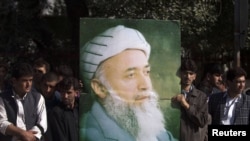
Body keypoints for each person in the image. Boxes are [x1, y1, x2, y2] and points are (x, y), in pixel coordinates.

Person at [80, 25, 177, 141]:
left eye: (146, 72)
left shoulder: (151, 127)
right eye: (131, 75)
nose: (146, 85)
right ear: (100, 88)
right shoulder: (91, 135)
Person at [0, 62, 47, 141]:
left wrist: (29, 137)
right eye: (24, 80)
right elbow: (2, 122)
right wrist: (22, 133)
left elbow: (42, 124)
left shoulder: (38, 98)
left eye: (31, 80)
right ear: (14, 81)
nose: (28, 84)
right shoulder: (3, 98)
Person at [171, 59, 209, 141]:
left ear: (195, 76)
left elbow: (202, 121)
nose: (188, 76)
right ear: (180, 74)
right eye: (185, 73)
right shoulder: (172, 93)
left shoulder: (201, 96)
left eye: (191, 74)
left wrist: (186, 105)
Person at [46, 76, 80, 141]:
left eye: (69, 92)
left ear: (76, 93)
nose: (65, 96)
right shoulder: (56, 113)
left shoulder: (80, 110)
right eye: (63, 92)